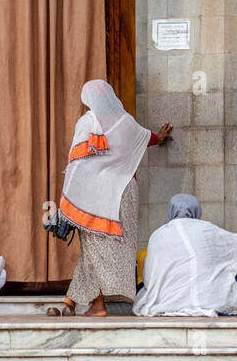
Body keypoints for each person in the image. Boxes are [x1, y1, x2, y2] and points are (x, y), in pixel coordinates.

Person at [55, 79, 173, 317]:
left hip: (96, 194)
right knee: (99, 247)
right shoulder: (126, 121)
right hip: (126, 192)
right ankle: (71, 301)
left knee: (93, 247)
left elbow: (77, 164)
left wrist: (68, 199)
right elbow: (146, 138)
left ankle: (96, 306)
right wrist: (160, 136)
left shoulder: (87, 123)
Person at [135, 194, 237, 317]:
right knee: (230, 260)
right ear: (197, 210)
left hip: (167, 301)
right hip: (211, 301)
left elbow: (149, 277)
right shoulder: (207, 229)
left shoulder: (158, 235)